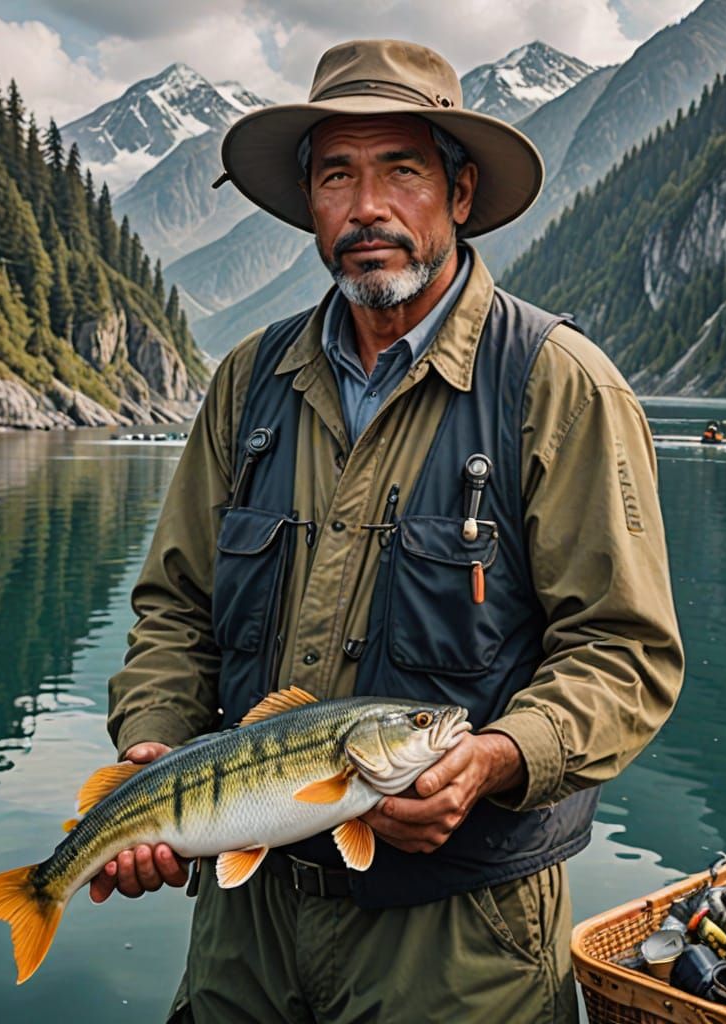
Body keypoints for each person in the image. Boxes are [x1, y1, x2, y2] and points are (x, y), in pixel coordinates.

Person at [98, 38, 684, 1024]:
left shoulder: (556, 385)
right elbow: (173, 610)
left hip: (461, 949)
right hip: (248, 936)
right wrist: (152, 744)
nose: (367, 205)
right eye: (338, 175)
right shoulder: (247, 382)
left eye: (400, 171)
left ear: (458, 192)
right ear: (309, 205)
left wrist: (496, 757)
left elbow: (624, 657)